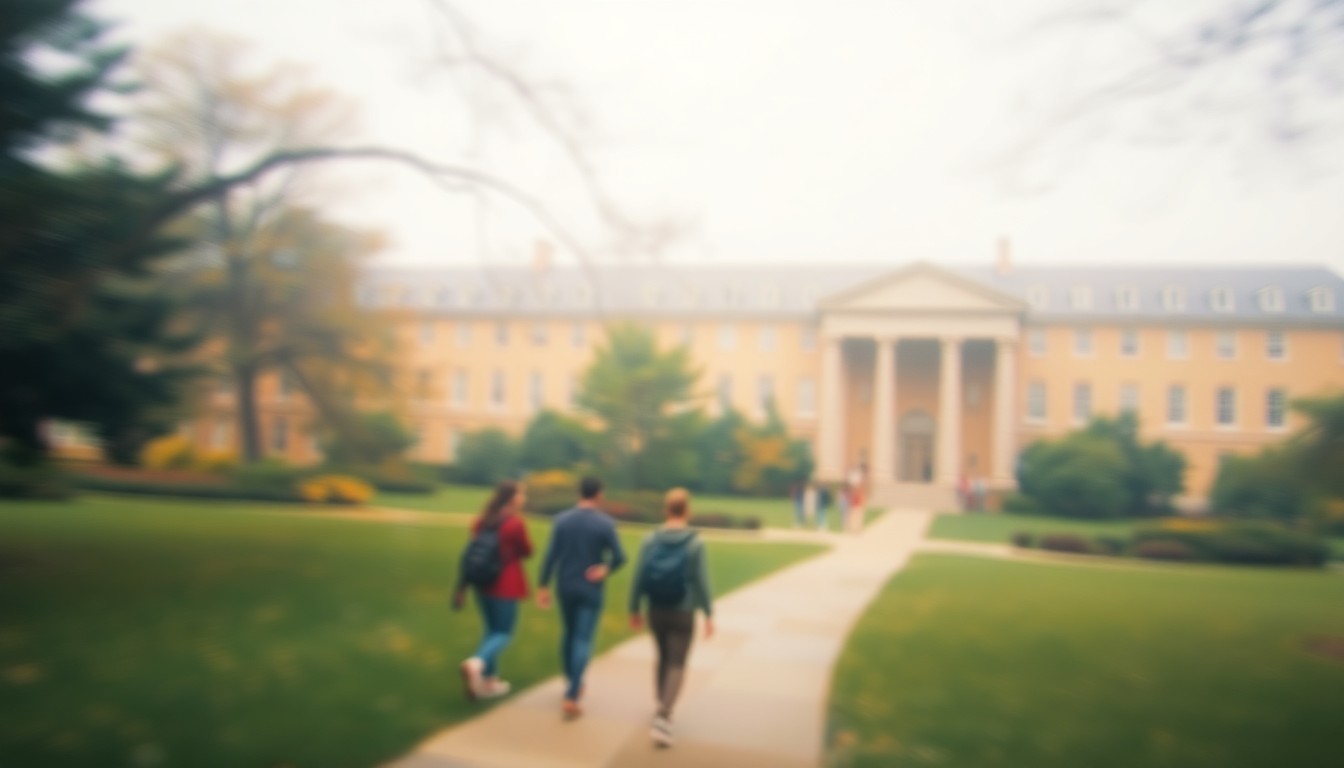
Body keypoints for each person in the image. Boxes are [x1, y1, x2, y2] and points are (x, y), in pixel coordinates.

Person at [628, 488, 714, 749]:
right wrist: (708, 613)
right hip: (683, 610)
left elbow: (639, 575)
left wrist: (634, 608)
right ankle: (664, 716)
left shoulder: (650, 540)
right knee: (677, 662)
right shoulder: (695, 543)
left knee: (663, 657)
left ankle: (661, 705)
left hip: (656, 609)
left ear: (666, 510)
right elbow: (701, 581)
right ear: (687, 510)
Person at [537, 476, 627, 720]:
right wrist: (604, 569)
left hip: (565, 585)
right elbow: (620, 557)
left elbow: (551, 556)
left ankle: (571, 681)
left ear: (580, 492)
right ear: (599, 494)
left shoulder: (562, 520)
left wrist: (543, 585)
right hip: (590, 588)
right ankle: (573, 693)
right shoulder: (605, 523)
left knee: (569, 634)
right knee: (582, 639)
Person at [453, 480, 533, 700]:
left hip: (483, 584)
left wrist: (462, 587)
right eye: (521, 494)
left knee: (491, 631)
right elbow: (527, 551)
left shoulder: (482, 520)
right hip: (505, 586)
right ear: (512, 498)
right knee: (503, 633)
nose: (524, 498)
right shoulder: (515, 523)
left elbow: (472, 550)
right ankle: (476, 663)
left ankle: (490, 681)